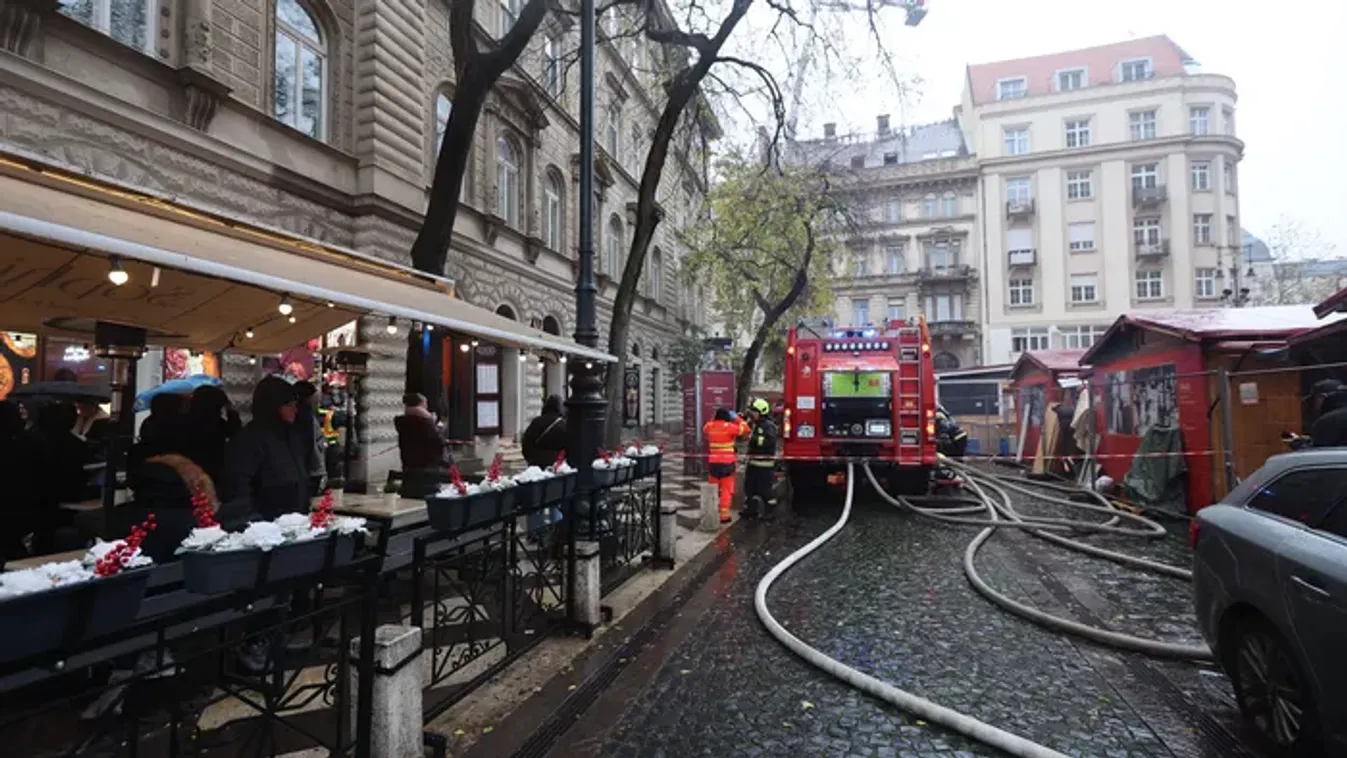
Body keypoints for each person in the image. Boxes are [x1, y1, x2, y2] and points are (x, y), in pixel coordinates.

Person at [216, 376, 309, 527]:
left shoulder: (291, 436)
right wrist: (255, 525)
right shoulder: (249, 440)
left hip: (293, 526)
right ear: (275, 407)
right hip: (262, 530)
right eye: (290, 405)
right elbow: (237, 488)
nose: (295, 410)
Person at [179, 384, 241, 485]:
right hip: (213, 472)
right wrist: (231, 411)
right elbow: (235, 432)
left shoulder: (183, 422)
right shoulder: (217, 424)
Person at [394, 393, 450, 497]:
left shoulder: (402, 421)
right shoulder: (425, 422)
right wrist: (435, 424)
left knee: (410, 490)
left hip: (408, 462)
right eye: (425, 403)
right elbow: (437, 441)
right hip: (427, 464)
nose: (427, 406)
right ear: (421, 404)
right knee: (427, 491)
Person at [702, 407, 750, 523]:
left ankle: (711, 512)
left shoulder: (709, 426)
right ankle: (724, 515)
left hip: (713, 463)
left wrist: (714, 419)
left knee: (713, 488)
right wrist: (737, 419)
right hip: (727, 463)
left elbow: (705, 428)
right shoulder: (729, 427)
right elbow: (746, 430)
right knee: (726, 489)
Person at [742, 398, 779, 520]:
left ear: (762, 412)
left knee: (765, 490)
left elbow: (769, 442)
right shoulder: (756, 425)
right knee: (750, 488)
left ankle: (770, 512)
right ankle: (750, 510)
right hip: (753, 464)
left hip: (764, 465)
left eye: (754, 411)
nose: (752, 414)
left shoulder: (768, 426)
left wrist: (754, 439)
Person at [293, 381, 327, 496]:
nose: (316, 400)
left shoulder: (306, 414)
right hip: (309, 469)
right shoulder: (305, 415)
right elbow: (309, 443)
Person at [522, 395, 567, 468]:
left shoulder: (536, 422)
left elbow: (526, 442)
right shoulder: (562, 424)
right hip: (556, 464)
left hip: (535, 463)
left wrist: (531, 458)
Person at [1308, 379, 1347, 448]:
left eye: (1314, 399)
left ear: (1322, 397)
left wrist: (1301, 446)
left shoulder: (1325, 423)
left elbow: (1319, 453)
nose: (1314, 405)